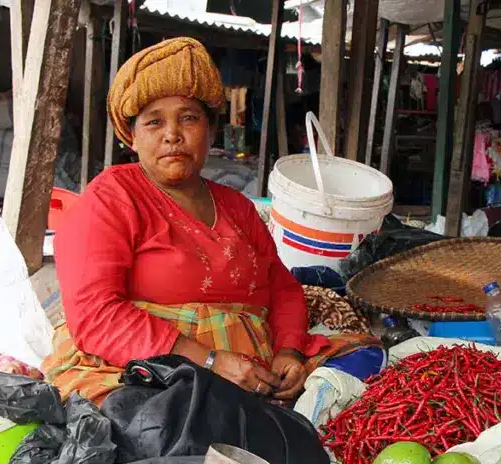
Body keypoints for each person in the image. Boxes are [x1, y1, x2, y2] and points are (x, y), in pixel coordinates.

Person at [42, 38, 375, 407]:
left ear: (210, 131)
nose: (172, 134)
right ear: (132, 137)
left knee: (369, 359)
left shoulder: (237, 207)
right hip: (158, 369)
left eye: (188, 117)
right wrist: (210, 362)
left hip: (256, 371)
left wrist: (289, 353)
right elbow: (96, 314)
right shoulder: (112, 196)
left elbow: (283, 289)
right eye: (154, 122)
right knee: (159, 418)